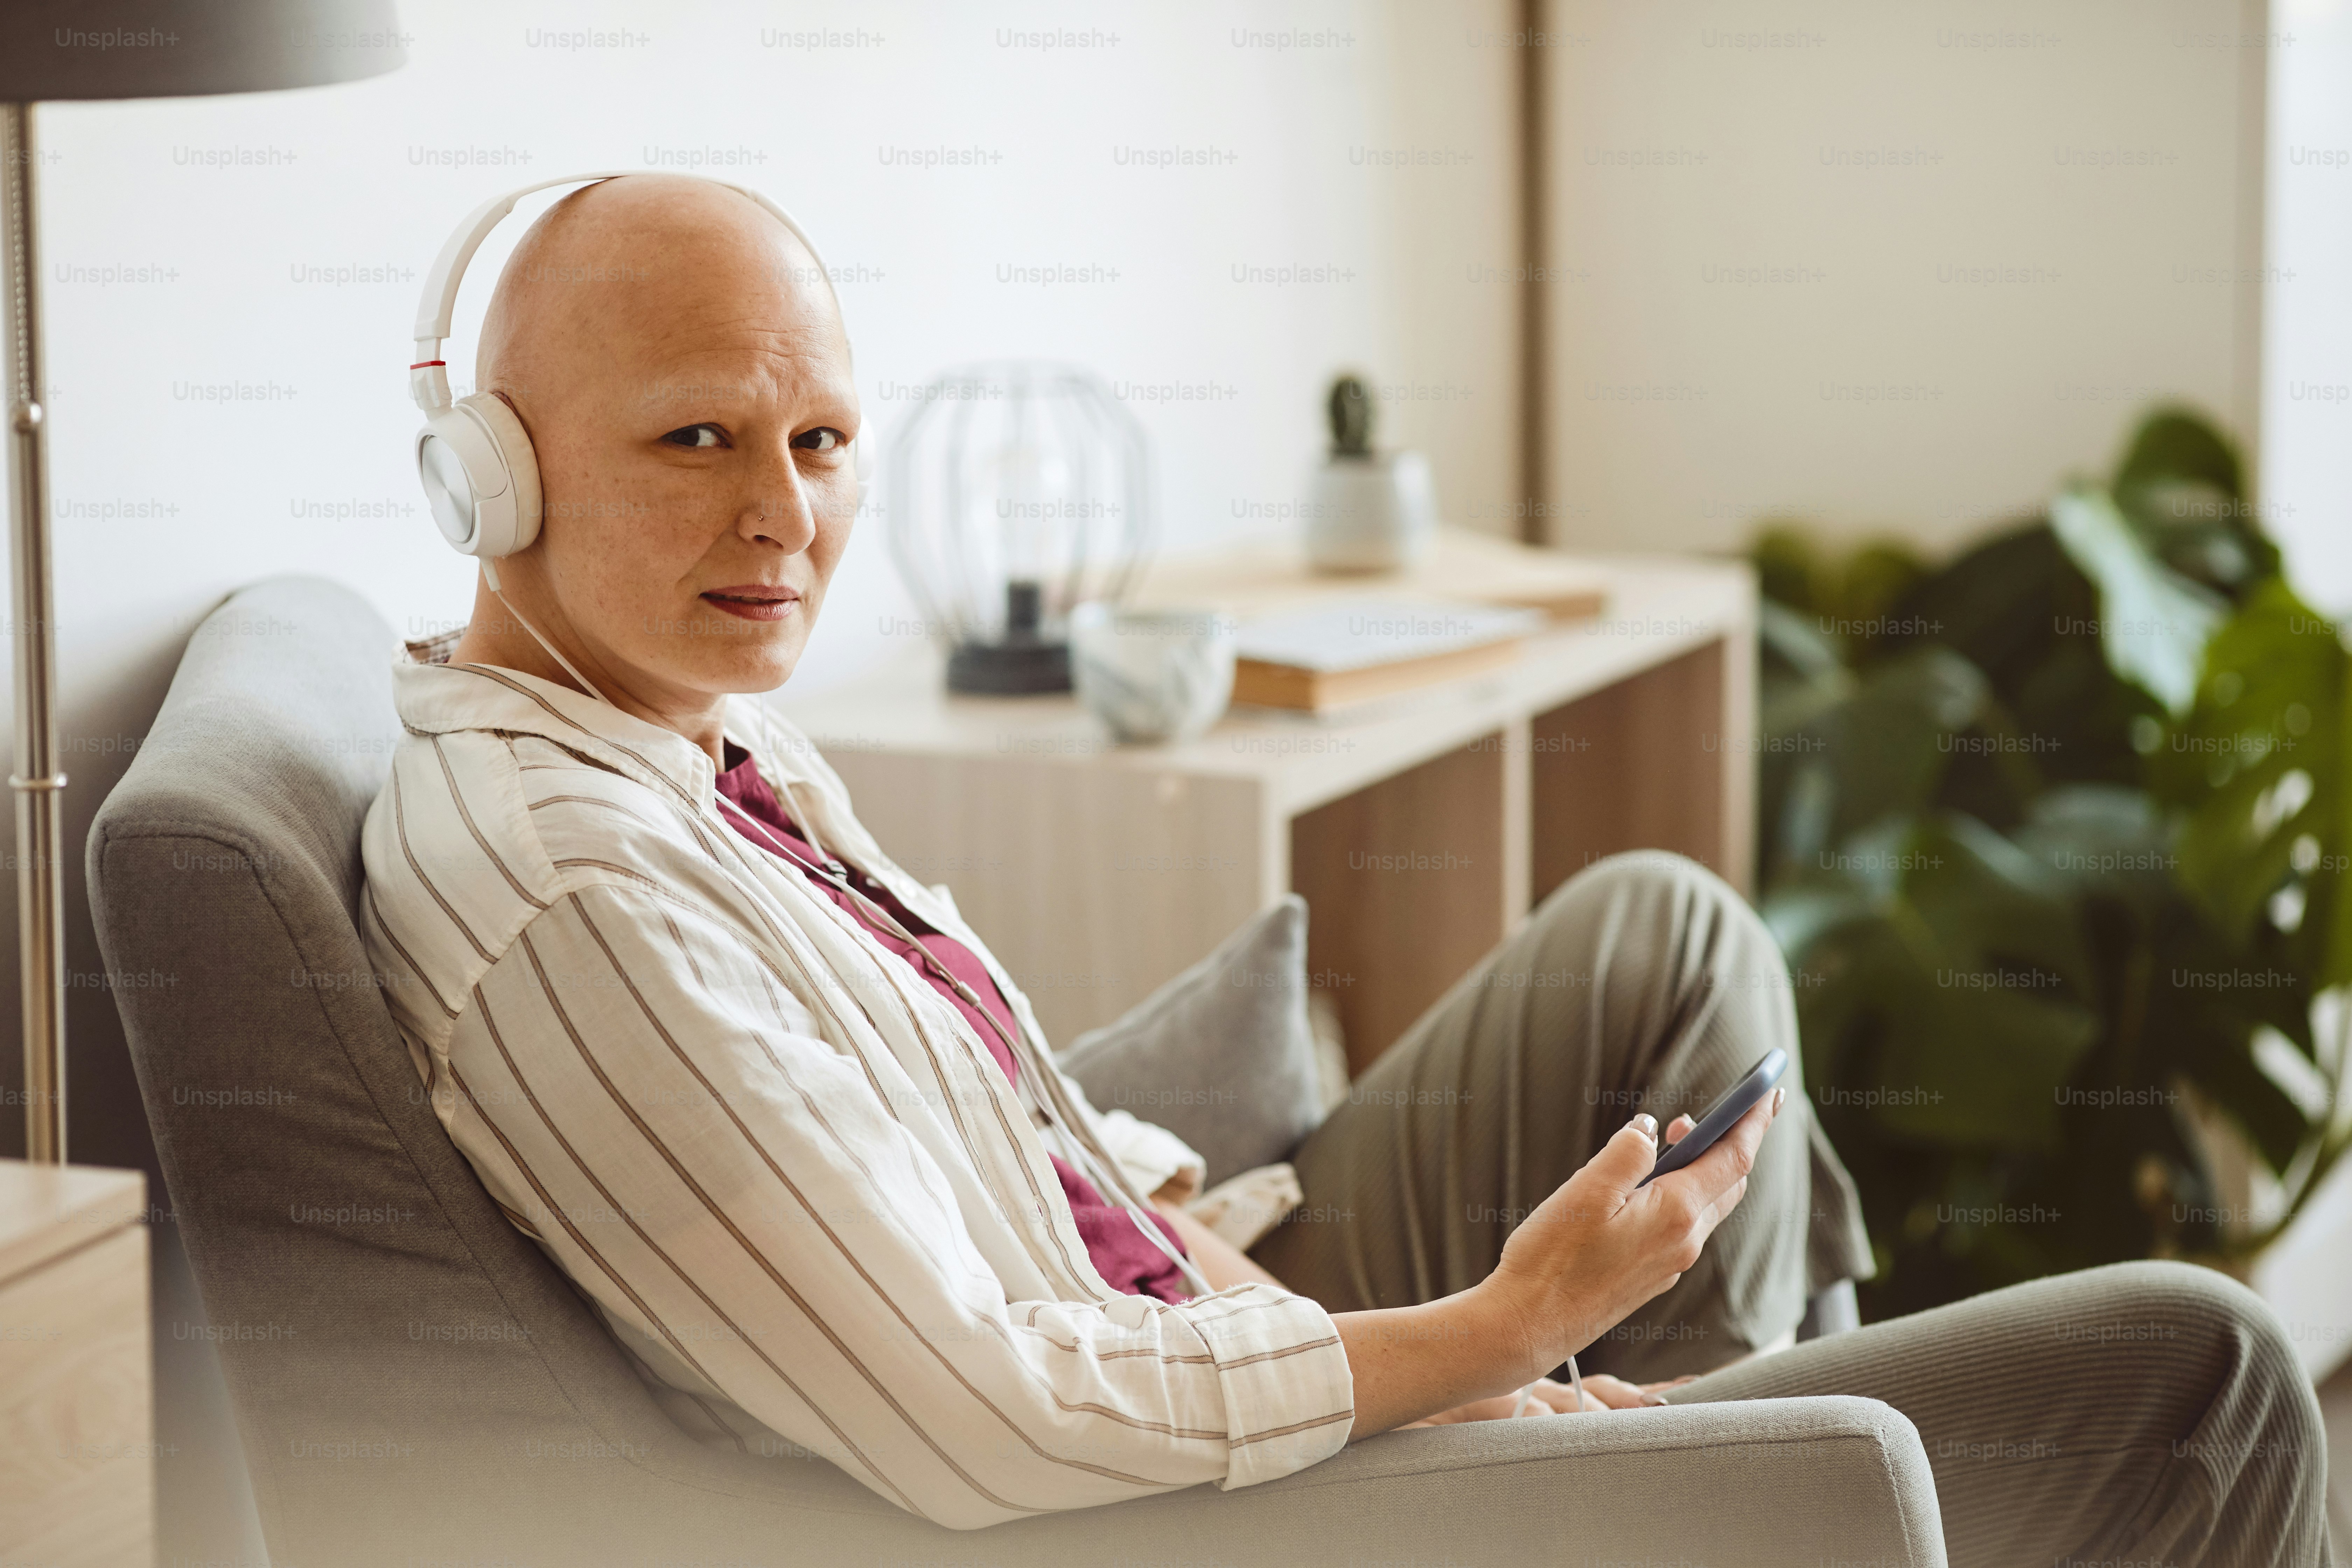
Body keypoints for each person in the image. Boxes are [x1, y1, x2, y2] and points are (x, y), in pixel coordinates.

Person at [359, 174, 2330, 1566]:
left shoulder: (688, 723)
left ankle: (1741, 1475)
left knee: (1662, 928)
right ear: (494, 472)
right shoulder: (582, 900)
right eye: (698, 436)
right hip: (1167, 1508)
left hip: (1207, 1339)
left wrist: (1390, 1351)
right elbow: (983, 1420)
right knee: (2214, 1374)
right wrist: (1489, 1341)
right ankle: (1754, 1483)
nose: (781, 512)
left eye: (818, 436)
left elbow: (1021, 1155)